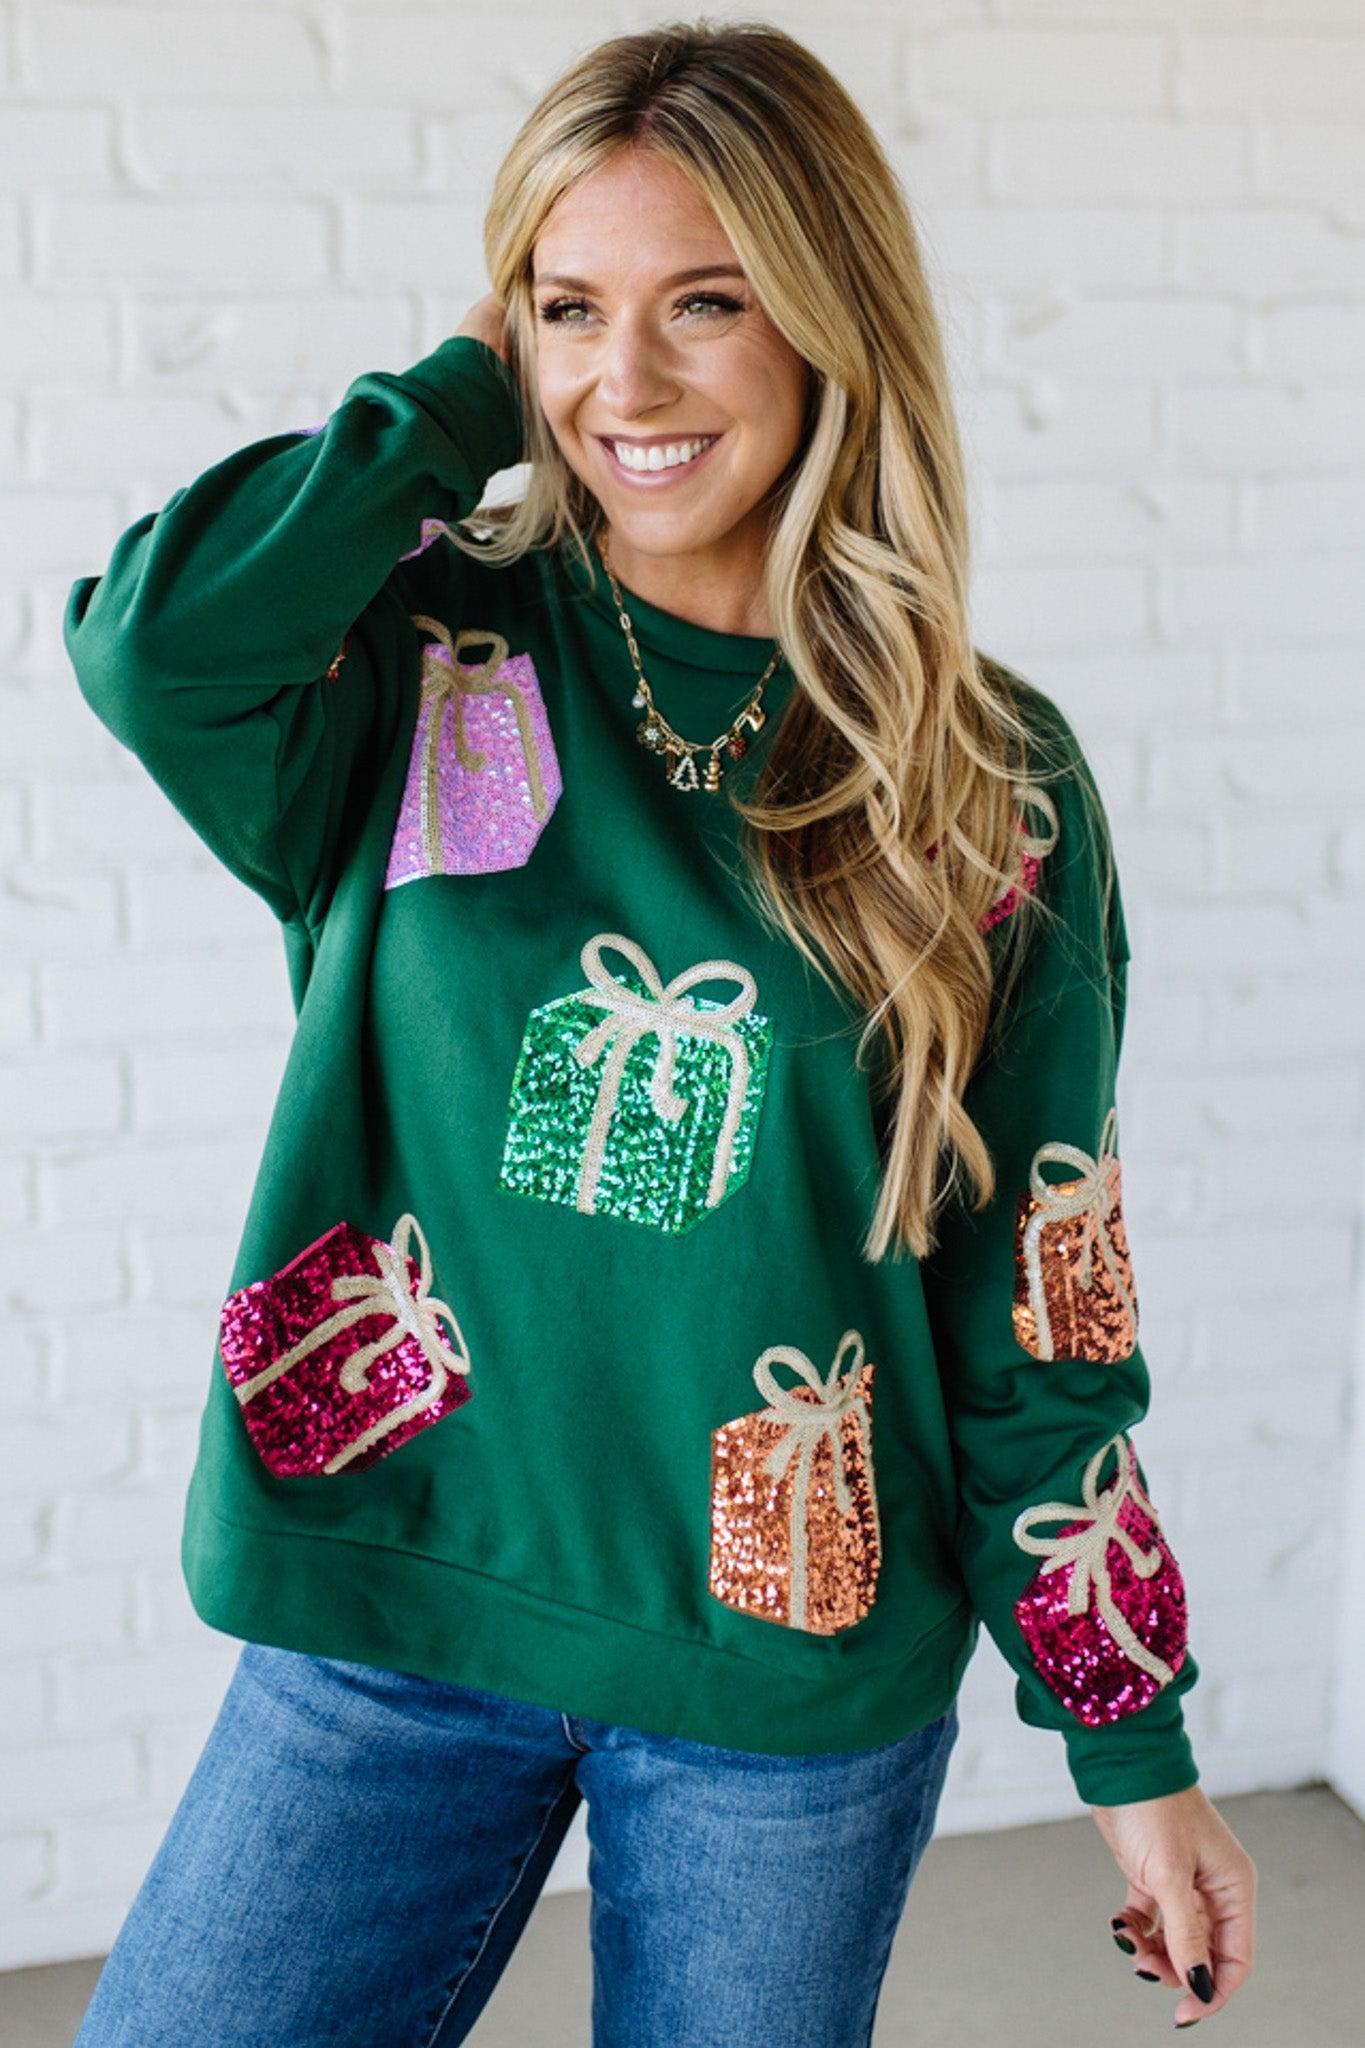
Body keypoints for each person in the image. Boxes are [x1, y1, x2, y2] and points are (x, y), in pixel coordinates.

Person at [63, 18, 1256, 2048]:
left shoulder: (986, 783)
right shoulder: (414, 654)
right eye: (568, 305)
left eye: (704, 304)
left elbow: (1032, 1292)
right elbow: (150, 645)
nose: (624, 380)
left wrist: (1128, 1744)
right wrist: (456, 395)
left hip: (782, 1694)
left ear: (823, 318)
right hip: (395, 1598)